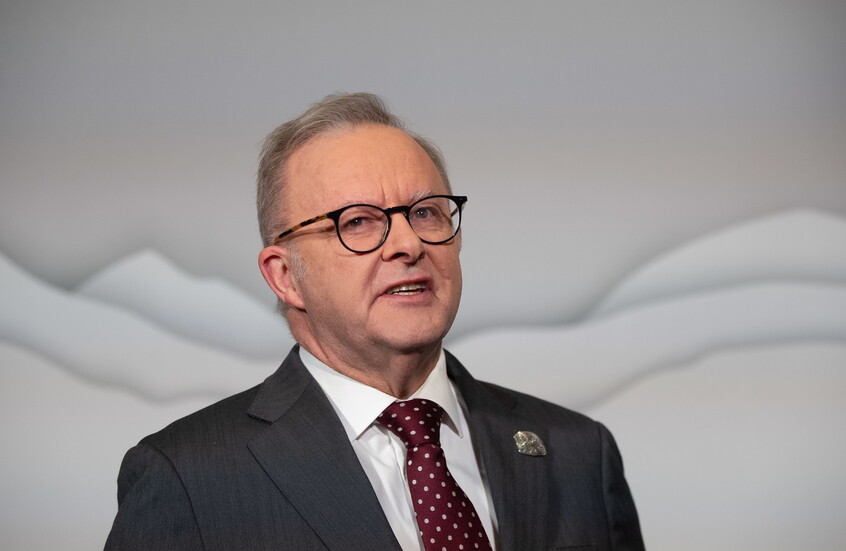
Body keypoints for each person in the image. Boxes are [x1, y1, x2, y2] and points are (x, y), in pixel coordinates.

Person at [105, 93, 644, 550]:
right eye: (358, 221)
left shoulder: (578, 453)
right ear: (285, 276)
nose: (408, 244)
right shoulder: (189, 477)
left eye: (426, 212)